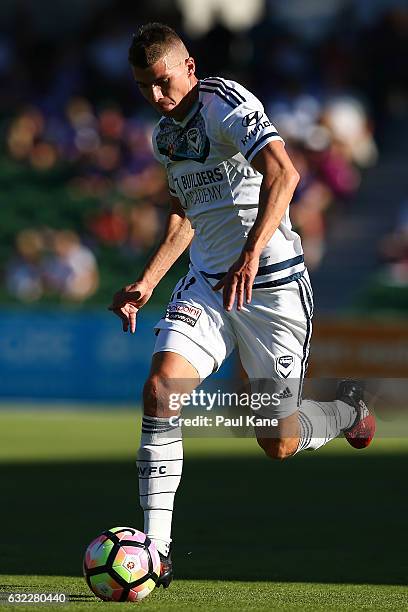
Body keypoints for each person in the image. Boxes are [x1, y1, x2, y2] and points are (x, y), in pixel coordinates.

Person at [109, 23, 376, 588]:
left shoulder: (225, 103)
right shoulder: (164, 136)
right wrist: (149, 281)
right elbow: (186, 215)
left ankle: (348, 409)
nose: (157, 98)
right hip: (208, 283)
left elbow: (285, 173)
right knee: (160, 390)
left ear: (188, 67)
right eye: (143, 88)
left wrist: (252, 255)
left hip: (272, 286)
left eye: (162, 82)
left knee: (275, 442)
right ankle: (156, 548)